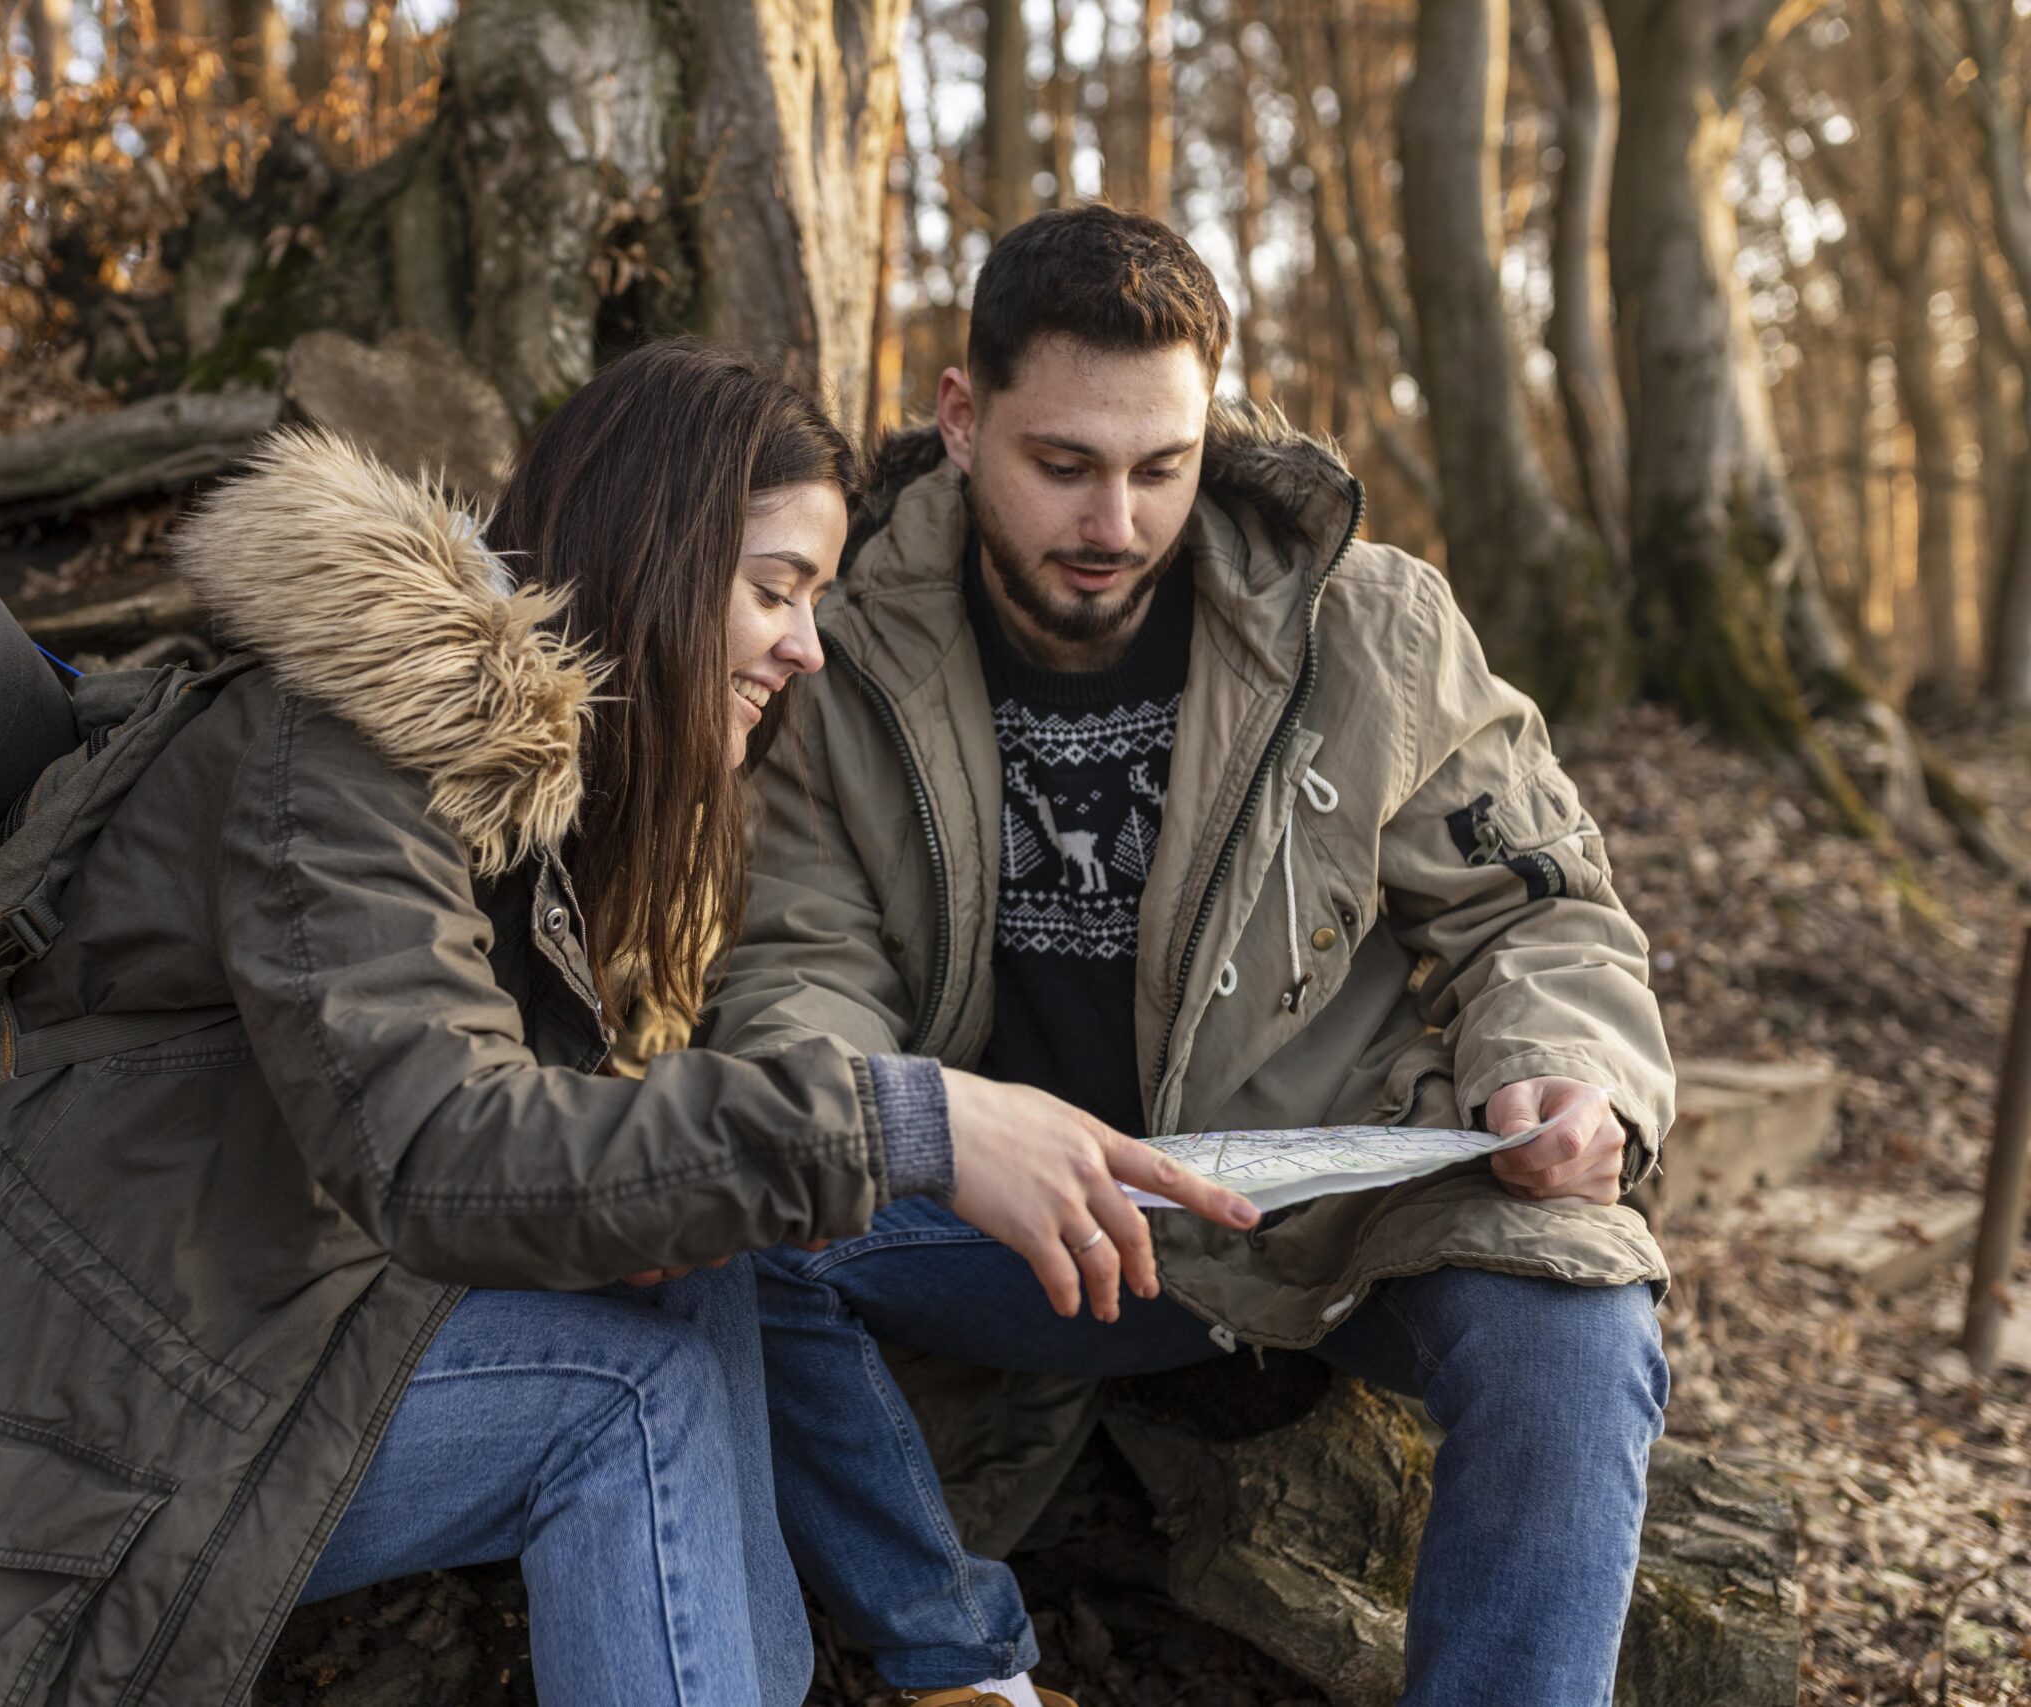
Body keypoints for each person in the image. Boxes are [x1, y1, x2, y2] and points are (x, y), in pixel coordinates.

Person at [0, 339, 1260, 1707]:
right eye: (775, 587)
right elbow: (436, 1150)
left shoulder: (537, 813)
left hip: (261, 1327)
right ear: (661, 561)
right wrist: (917, 1121)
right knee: (626, 1392)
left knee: (708, 1270)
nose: (806, 646)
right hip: (80, 1400)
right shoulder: (343, 750)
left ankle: (960, 1674)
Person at [700, 208, 1677, 1707]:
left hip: (1342, 1208)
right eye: (1066, 466)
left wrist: (1567, 1071)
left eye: (1163, 466)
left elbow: (1533, 907)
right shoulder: (844, 656)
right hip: (1026, 1214)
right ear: (963, 419)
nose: (1116, 521)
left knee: (1580, 1317)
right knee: (727, 1211)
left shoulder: (1369, 625)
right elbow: (798, 968)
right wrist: (915, 1126)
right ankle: (966, 1668)